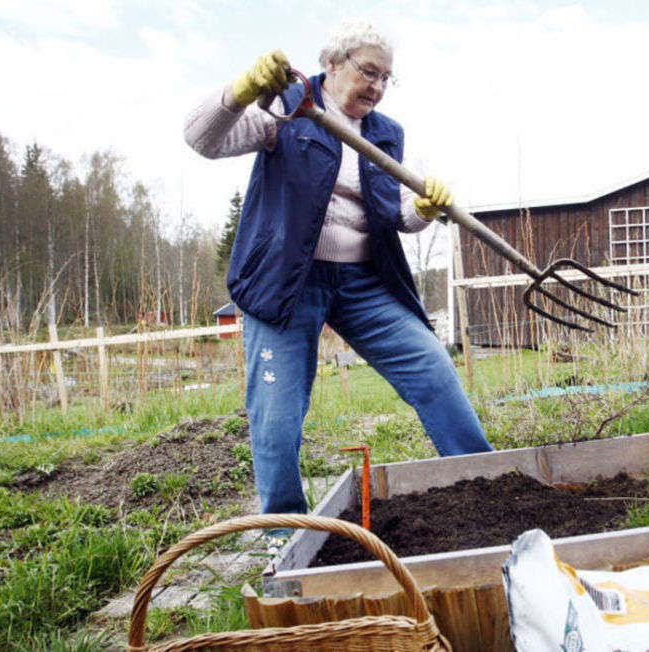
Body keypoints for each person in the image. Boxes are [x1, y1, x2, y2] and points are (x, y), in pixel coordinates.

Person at [184, 21, 493, 555]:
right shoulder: (288, 107)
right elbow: (202, 138)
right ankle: (285, 535)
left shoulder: (384, 132)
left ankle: (488, 482)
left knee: (433, 368)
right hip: (287, 281)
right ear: (333, 63)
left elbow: (392, 212)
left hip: (364, 282)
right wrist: (238, 93)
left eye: (385, 78)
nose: (375, 86)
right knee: (277, 413)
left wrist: (420, 211)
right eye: (367, 71)